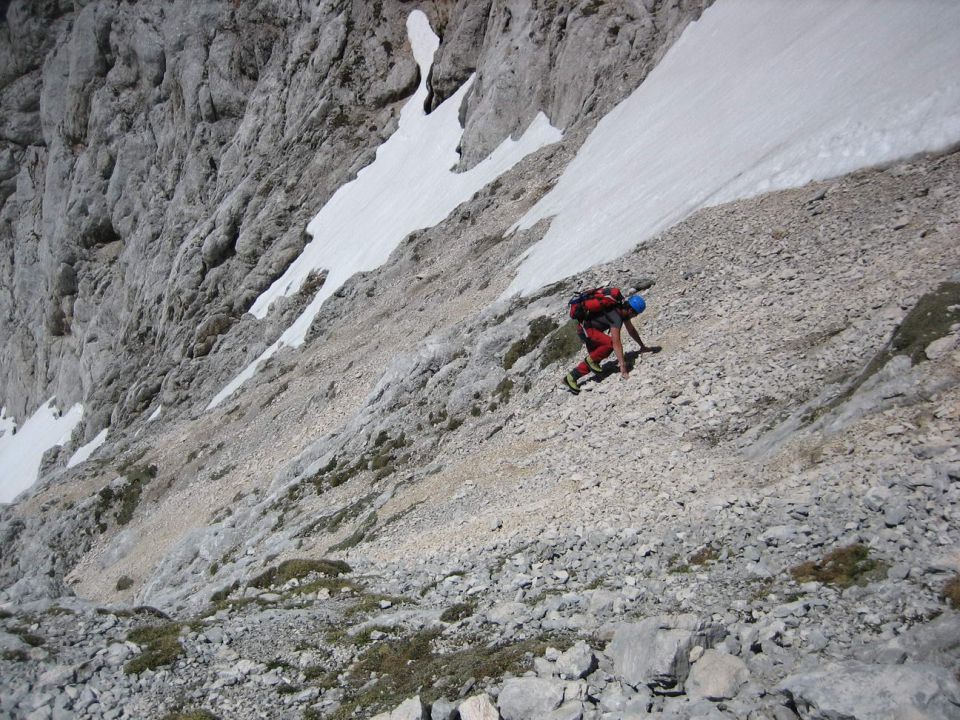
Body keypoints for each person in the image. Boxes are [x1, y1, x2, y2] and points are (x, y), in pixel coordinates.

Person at [563, 294, 657, 394]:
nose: (636, 316)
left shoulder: (621, 311)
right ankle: (590, 361)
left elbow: (631, 330)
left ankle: (570, 377)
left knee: (595, 360)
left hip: (586, 329)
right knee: (608, 345)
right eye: (636, 314)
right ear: (631, 310)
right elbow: (616, 343)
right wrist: (622, 366)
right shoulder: (616, 317)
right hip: (586, 330)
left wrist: (642, 346)